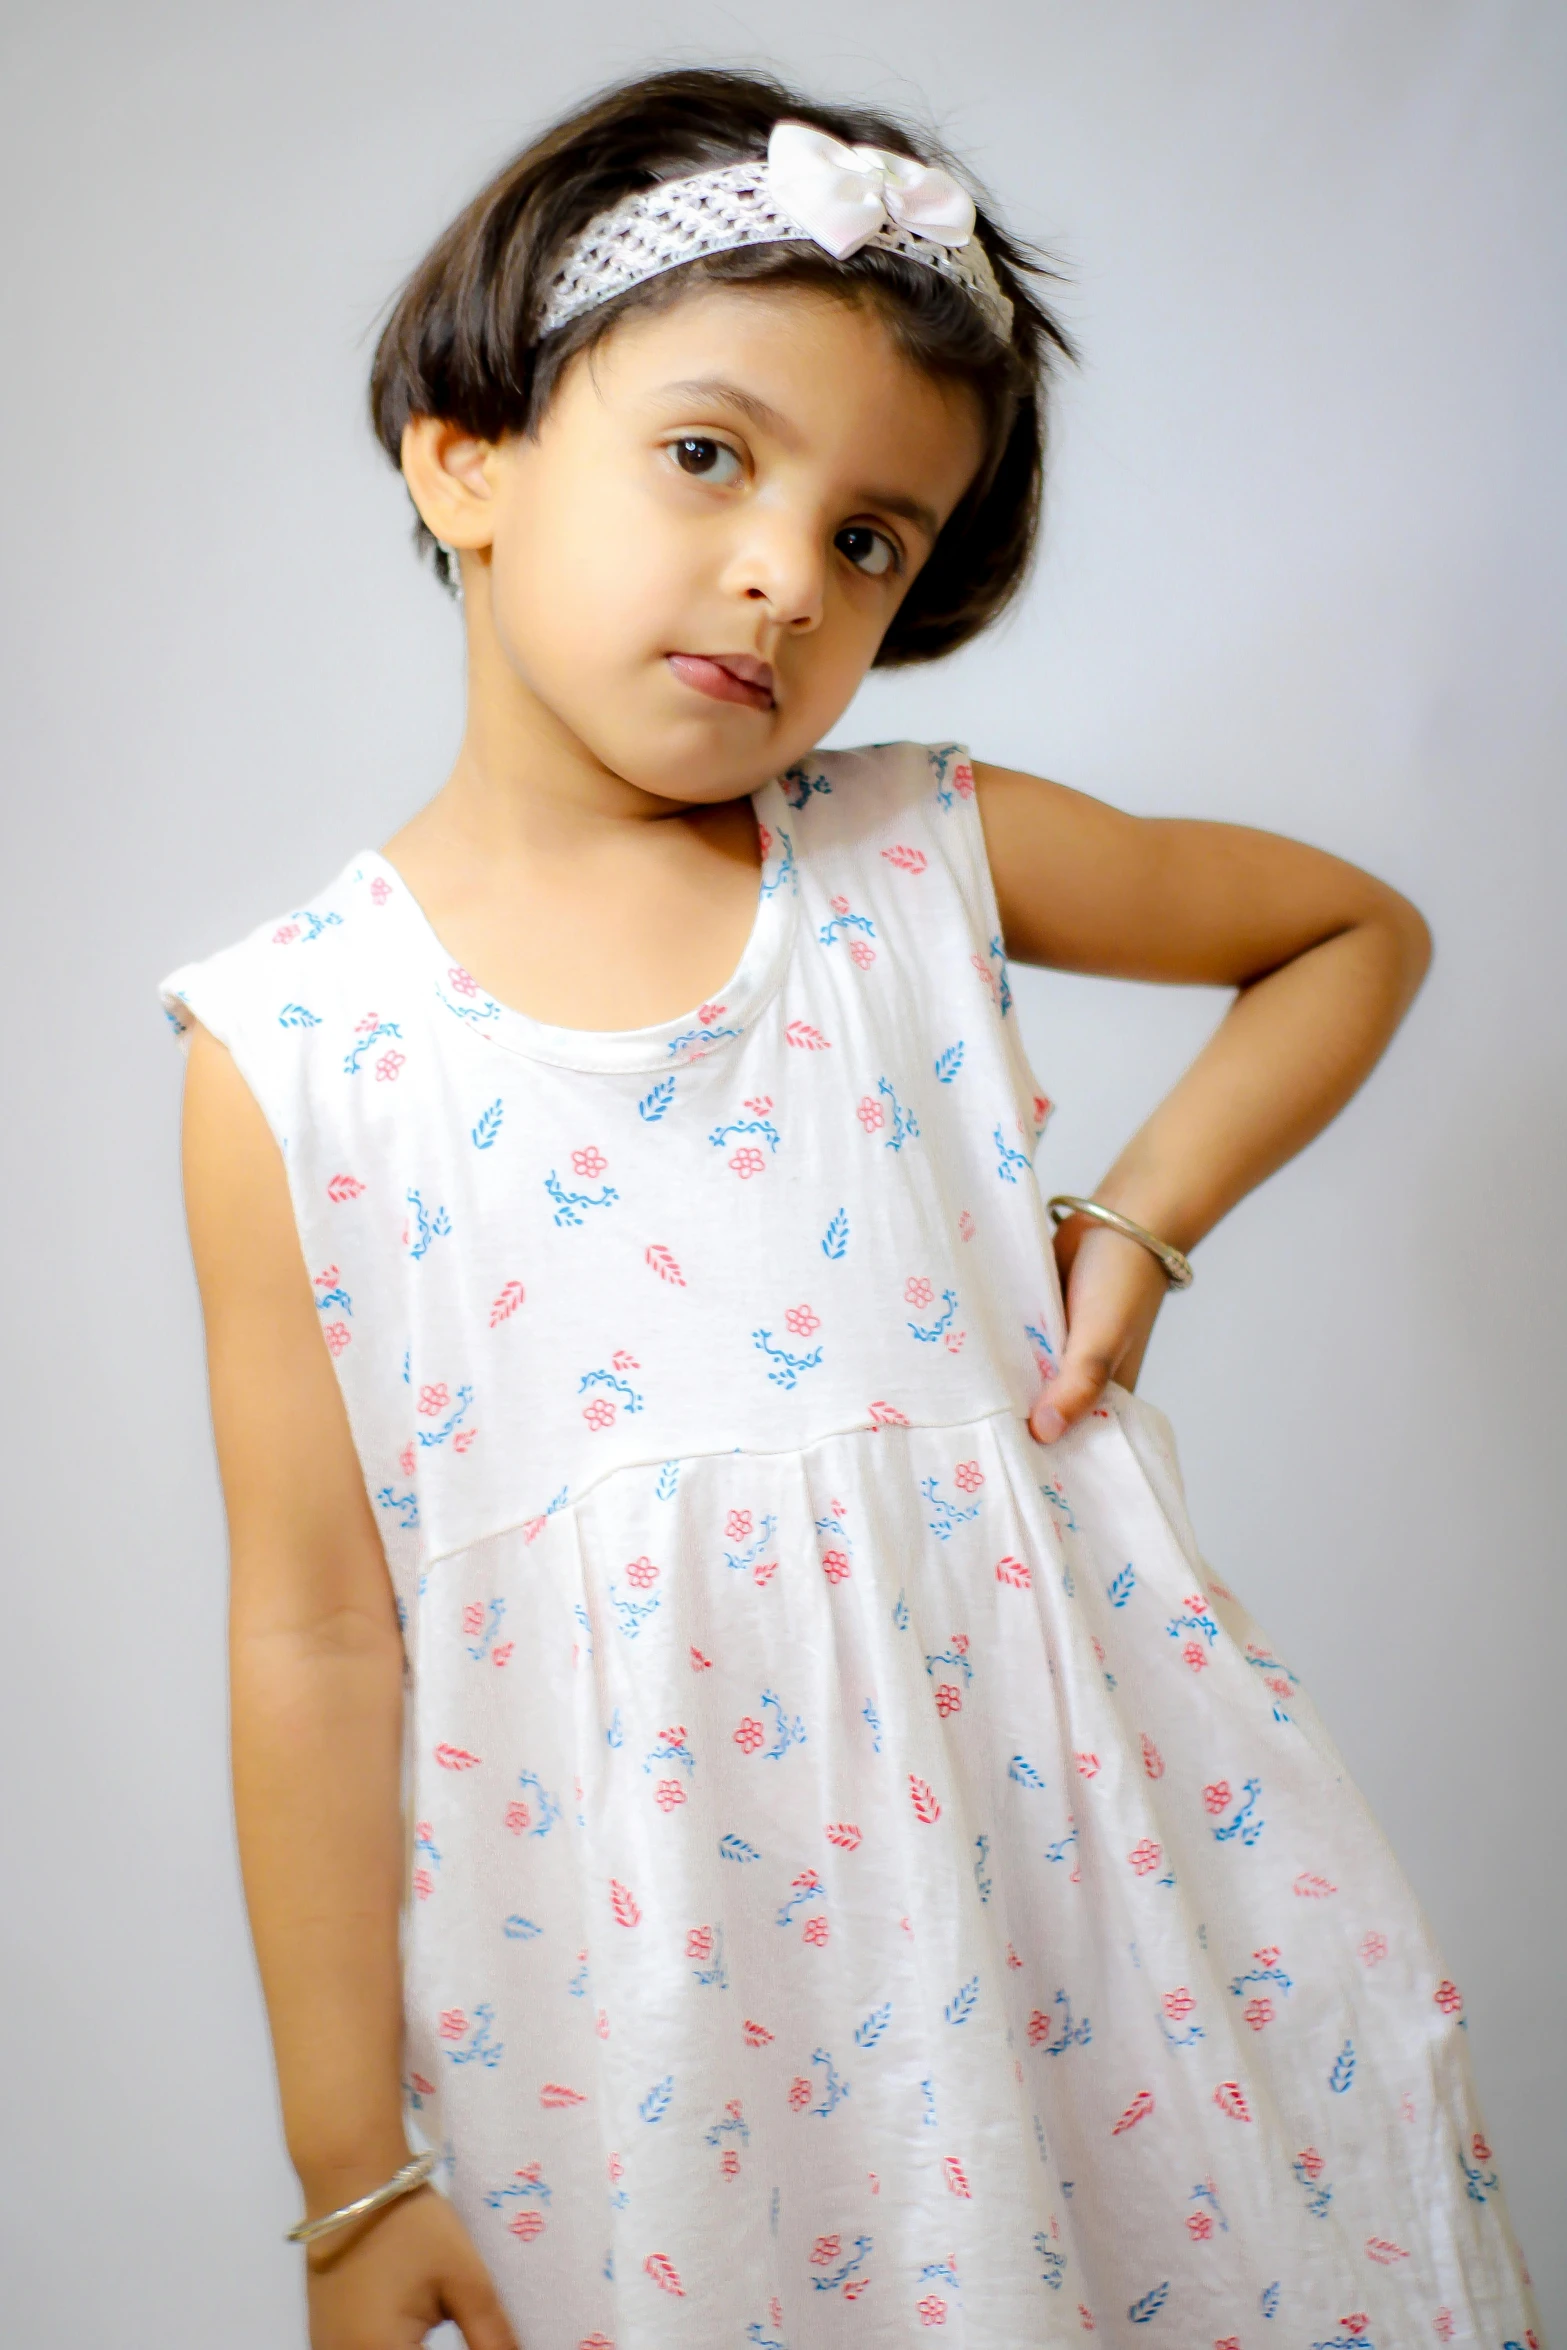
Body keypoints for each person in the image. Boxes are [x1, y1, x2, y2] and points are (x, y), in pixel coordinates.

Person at [160, 64, 1541, 2350]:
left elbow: (1350, 931)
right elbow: (311, 1627)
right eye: (710, 455)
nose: (791, 573)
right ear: (466, 456)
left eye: (876, 535)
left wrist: (1146, 1217)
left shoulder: (911, 853)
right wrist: (348, 2170)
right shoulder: (294, 1048)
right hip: (645, 1977)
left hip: (1076, 1891)